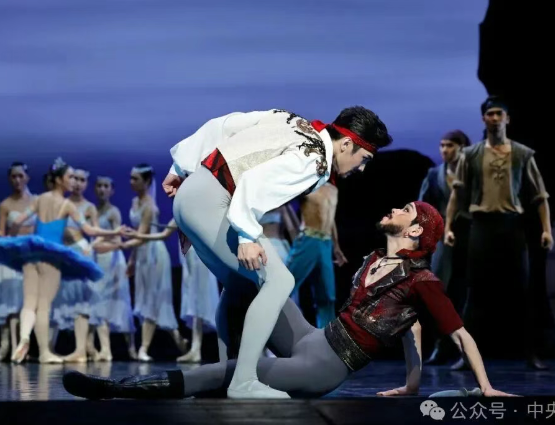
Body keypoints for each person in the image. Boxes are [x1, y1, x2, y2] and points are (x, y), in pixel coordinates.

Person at [62, 201, 516, 400]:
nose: (396, 210)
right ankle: (225, 365)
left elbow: (458, 335)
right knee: (257, 280)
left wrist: (486, 387)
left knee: (234, 373)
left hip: (323, 366)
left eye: (406, 211)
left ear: (415, 230)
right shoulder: (376, 260)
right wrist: (412, 384)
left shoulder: (422, 281)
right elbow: (408, 331)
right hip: (312, 337)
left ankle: (116, 389)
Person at [160, 107, 391, 398]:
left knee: (240, 285)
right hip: (212, 201)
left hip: (191, 194)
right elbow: (253, 183)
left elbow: (223, 125)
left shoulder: (289, 119)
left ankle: (222, 377)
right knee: (280, 281)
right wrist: (246, 236)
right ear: (346, 144)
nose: (362, 168)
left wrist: (179, 167)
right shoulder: (314, 158)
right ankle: (243, 380)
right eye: (364, 158)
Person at [444, 96, 553, 370]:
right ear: (483, 119)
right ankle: (466, 356)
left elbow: (540, 196)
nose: (494, 118)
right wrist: (448, 227)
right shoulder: (471, 154)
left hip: (511, 226)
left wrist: (546, 230)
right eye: (490, 114)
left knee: (522, 292)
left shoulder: (522, 154)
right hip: (482, 226)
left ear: (507, 118)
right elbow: (457, 194)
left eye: (499, 114)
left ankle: (531, 353)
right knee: (475, 293)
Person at [0, 157, 122, 363]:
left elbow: (18, 220)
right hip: (52, 258)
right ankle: (44, 353)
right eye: (70, 177)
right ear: (59, 180)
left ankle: (24, 338)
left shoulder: (39, 199)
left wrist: (13, 241)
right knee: (43, 305)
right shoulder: (67, 205)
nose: (73, 181)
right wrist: (115, 232)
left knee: (29, 303)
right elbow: (89, 230)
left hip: (31, 253)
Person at [122, 218, 220, 363]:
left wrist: (137, 236)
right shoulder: (180, 212)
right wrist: (137, 235)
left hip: (199, 256)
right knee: (195, 303)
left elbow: (164, 235)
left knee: (201, 301)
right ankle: (195, 349)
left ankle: (203, 349)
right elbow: (164, 233)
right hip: (188, 258)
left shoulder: (195, 211)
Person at [119, 164, 187, 361]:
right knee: (150, 300)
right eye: (131, 178)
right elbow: (138, 236)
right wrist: (132, 259)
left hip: (154, 254)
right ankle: (179, 341)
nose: (131, 182)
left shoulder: (149, 205)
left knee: (152, 299)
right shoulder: (135, 202)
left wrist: (121, 245)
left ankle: (143, 348)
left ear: (147, 181)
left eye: (136, 179)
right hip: (142, 253)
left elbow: (140, 236)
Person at [418, 130, 471, 364]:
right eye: (442, 145)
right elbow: (423, 208)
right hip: (442, 238)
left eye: (450, 145)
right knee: (440, 291)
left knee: (467, 291)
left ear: (462, 148)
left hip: (469, 233)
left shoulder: (472, 174)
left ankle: (465, 349)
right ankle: (441, 345)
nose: (444, 150)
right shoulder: (434, 175)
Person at [51, 167, 100, 363]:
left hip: (80, 252)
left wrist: (90, 246)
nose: (77, 183)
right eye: (74, 179)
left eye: (82, 180)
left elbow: (95, 233)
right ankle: (50, 348)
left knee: (80, 300)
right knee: (58, 300)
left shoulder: (89, 207)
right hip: (63, 254)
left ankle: (80, 350)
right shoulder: (63, 204)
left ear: (86, 183)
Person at [88, 176, 137, 361]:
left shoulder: (113, 212)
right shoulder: (92, 211)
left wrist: (100, 245)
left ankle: (131, 348)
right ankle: (103, 348)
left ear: (111, 190)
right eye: (99, 186)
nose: (102, 189)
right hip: (97, 260)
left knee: (120, 302)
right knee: (99, 303)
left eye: (106, 186)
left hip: (112, 260)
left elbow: (118, 240)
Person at [288, 181, 348, 328]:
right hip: (308, 239)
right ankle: (268, 327)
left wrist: (336, 247)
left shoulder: (333, 190)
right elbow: (287, 202)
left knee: (327, 296)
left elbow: (330, 218)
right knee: (285, 286)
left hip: (326, 243)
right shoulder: (306, 183)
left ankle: (326, 334)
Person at [0, 162, 36, 361]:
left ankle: (26, 344)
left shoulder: (36, 202)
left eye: (20, 176)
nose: (17, 180)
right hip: (13, 256)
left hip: (32, 255)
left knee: (30, 301)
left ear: (27, 177)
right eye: (13, 176)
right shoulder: (5, 205)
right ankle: (11, 345)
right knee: (12, 303)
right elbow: (1, 234)